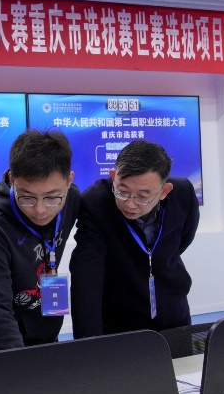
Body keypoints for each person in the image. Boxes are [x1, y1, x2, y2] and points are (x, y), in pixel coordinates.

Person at [70, 140, 199, 338]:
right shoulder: (94, 204)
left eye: (142, 196)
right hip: (120, 322)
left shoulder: (184, 194)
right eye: (122, 191)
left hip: (174, 314)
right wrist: (89, 346)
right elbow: (87, 280)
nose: (129, 204)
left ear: (164, 191)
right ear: (113, 177)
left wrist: (152, 259)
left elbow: (183, 240)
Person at [0, 129, 80, 351]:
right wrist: (20, 364)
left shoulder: (72, 199)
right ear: (12, 180)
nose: (40, 209)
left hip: (48, 333)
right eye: (27, 197)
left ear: (69, 181)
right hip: (7, 343)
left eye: (51, 198)